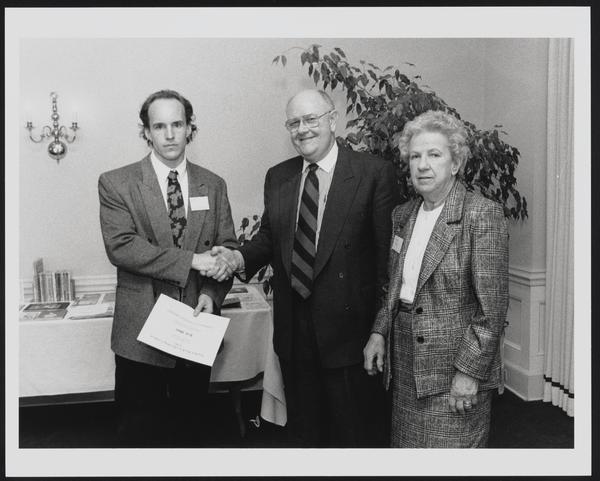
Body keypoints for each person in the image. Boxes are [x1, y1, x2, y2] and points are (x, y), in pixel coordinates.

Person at [211, 89, 399, 447]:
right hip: (294, 335)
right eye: (294, 123)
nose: (302, 129)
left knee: (354, 436)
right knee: (305, 436)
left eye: (311, 119)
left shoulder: (373, 173)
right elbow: (270, 237)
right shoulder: (278, 176)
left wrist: (381, 330)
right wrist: (237, 258)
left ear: (333, 119)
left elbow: (387, 263)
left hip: (350, 337)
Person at [98, 89, 237, 447]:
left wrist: (212, 294)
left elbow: (227, 249)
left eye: (178, 124)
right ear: (146, 132)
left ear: (190, 128)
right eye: (159, 126)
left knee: (191, 435)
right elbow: (122, 247)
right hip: (140, 336)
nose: (170, 134)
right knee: (139, 440)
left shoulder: (214, 184)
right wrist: (192, 260)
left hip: (195, 330)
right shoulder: (116, 183)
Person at [363, 110, 509, 448]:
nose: (422, 165)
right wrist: (378, 331)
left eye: (434, 155)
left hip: (454, 374)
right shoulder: (403, 215)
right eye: (415, 156)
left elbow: (492, 310)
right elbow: (395, 286)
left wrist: (469, 372)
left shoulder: (481, 215)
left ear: (455, 163)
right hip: (405, 368)